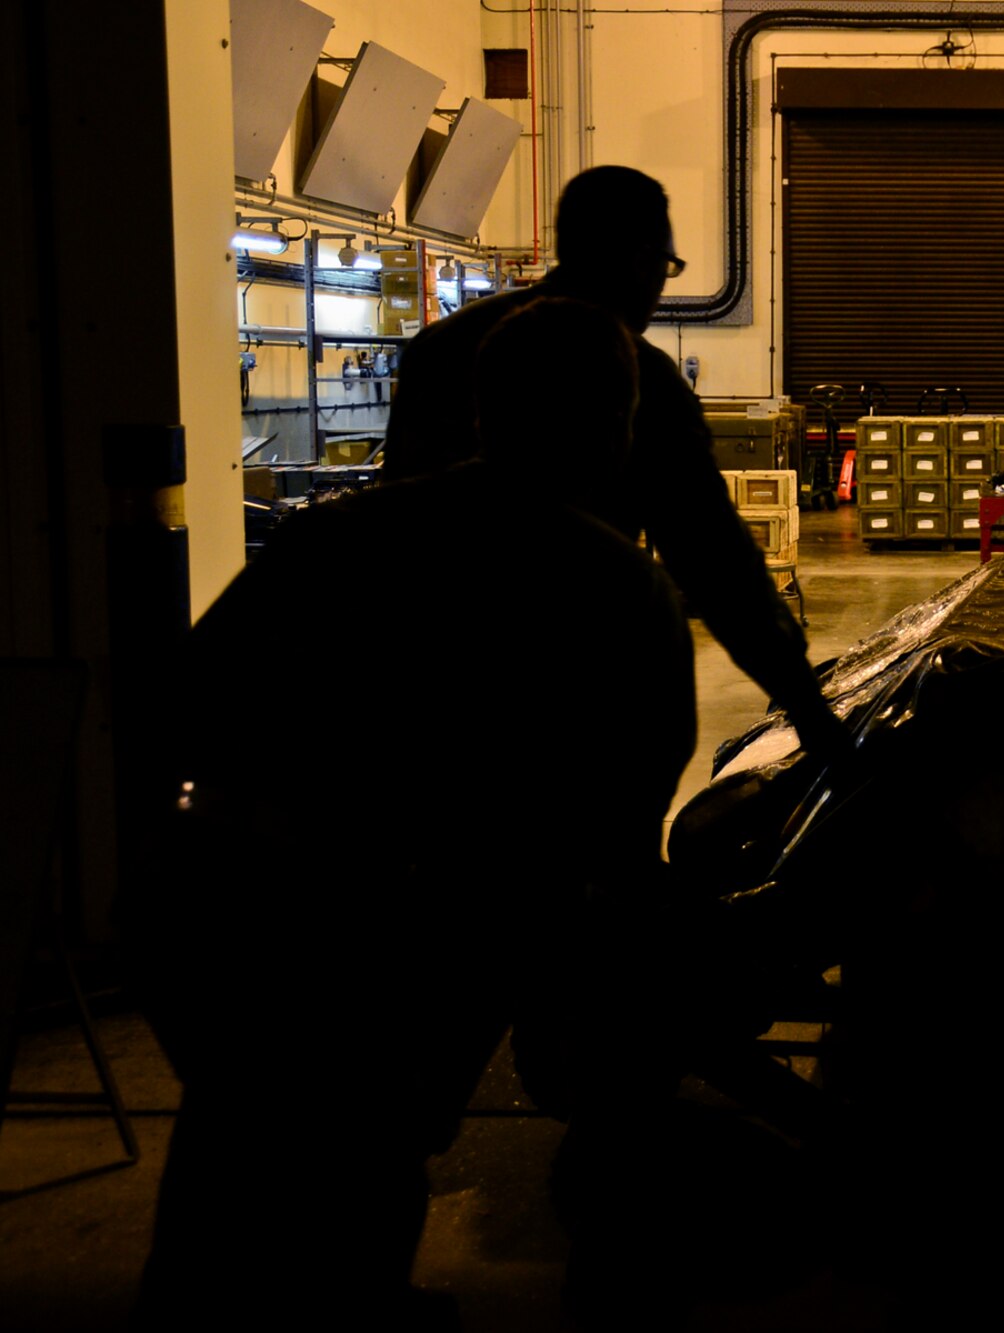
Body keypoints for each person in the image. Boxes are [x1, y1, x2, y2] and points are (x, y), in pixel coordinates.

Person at [128, 300, 749, 1331]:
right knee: (358, 1161)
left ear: (478, 413)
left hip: (211, 907)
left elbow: (182, 703)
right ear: (614, 428)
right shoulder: (615, 588)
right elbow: (617, 832)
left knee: (227, 1173)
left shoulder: (332, 537)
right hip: (390, 937)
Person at [384, 165, 849, 761]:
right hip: (567, 698)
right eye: (667, 265)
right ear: (638, 258)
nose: (664, 283)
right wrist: (811, 712)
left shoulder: (440, 349)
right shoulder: (644, 381)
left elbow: (398, 507)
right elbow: (715, 561)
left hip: (421, 708)